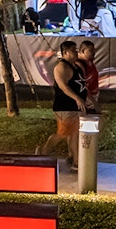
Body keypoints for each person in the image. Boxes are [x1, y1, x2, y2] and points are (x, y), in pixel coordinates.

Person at [37, 40, 88, 169]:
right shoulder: (61, 67)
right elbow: (63, 86)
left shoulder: (76, 66)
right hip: (64, 105)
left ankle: (75, 159)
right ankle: (44, 151)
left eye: (76, 49)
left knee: (74, 133)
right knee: (63, 133)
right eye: (73, 50)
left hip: (75, 106)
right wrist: (77, 98)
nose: (76, 52)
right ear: (65, 52)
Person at [79, 40, 100, 113]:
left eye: (94, 50)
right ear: (83, 51)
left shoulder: (89, 61)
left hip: (93, 95)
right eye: (91, 51)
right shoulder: (79, 64)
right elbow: (82, 85)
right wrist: (93, 102)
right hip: (87, 98)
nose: (94, 53)